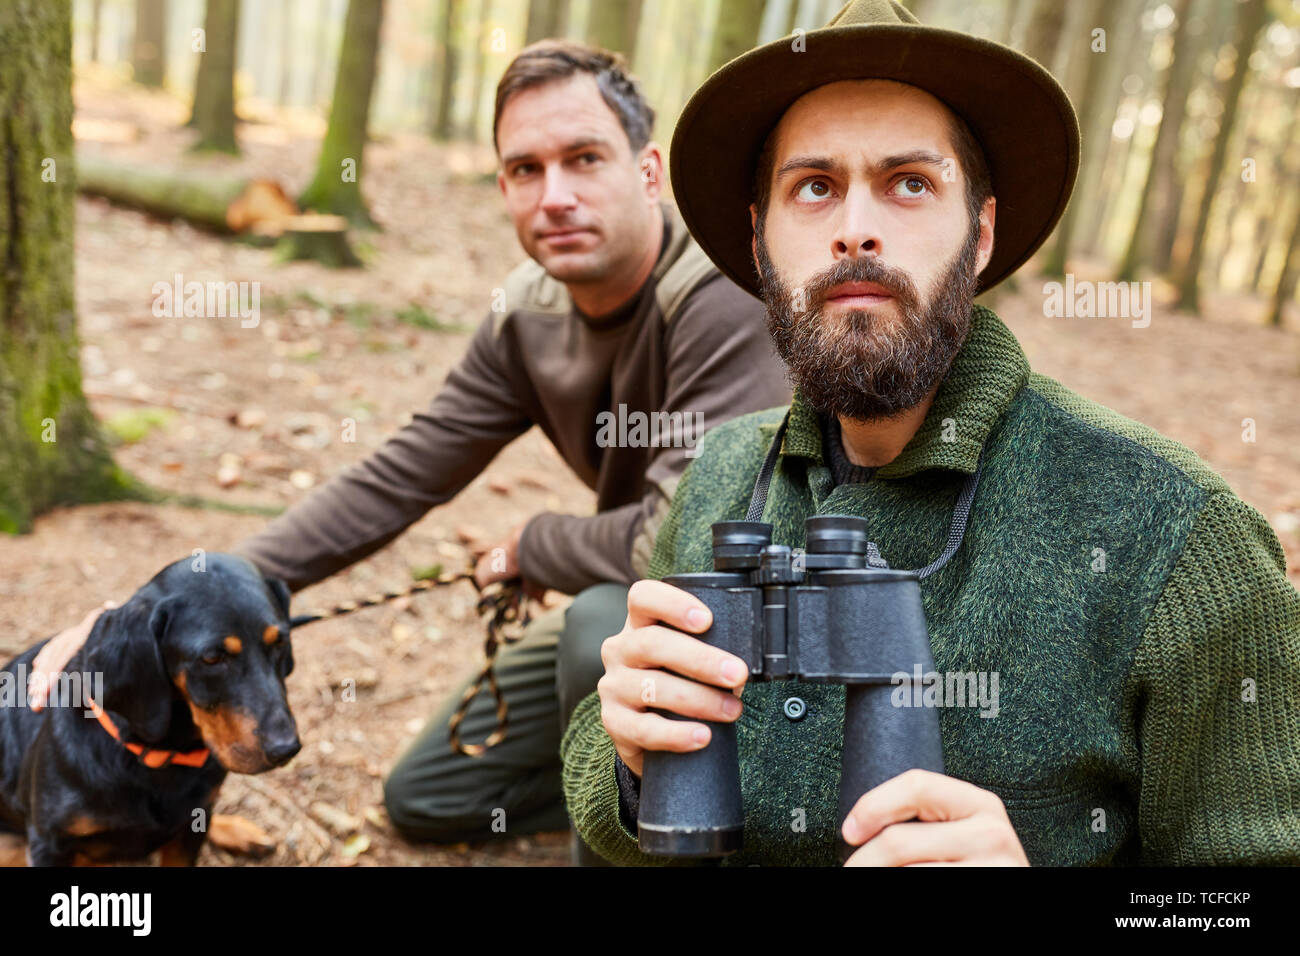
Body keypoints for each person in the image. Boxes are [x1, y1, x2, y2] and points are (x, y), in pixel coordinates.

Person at [561, 0, 1300, 866]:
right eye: (815, 187)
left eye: (910, 182)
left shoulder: (1177, 535)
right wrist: (629, 764)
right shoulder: (727, 469)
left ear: (979, 234)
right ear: (761, 243)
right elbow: (610, 793)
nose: (855, 228)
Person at [29, 40, 789, 862]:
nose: (556, 195)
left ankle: (690, 825)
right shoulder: (529, 316)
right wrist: (167, 603)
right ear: (503, 187)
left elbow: (670, 545)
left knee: (598, 620)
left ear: (647, 173)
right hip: (649, 608)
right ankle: (622, 789)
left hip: (760, 625)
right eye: (527, 169)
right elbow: (400, 472)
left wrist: (533, 544)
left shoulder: (719, 298)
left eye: (584, 159)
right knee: (429, 795)